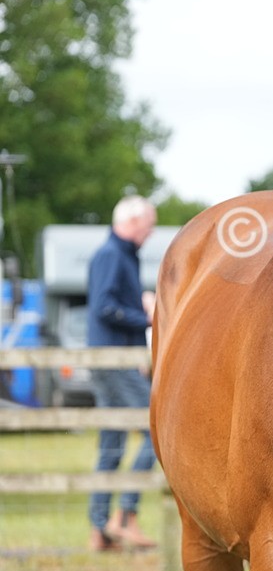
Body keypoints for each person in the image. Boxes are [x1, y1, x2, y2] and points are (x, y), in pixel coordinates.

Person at [86, 195, 159, 551]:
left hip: (111, 360)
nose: (151, 232)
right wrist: (145, 316)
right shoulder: (112, 256)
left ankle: (100, 529)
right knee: (155, 429)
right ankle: (124, 515)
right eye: (149, 225)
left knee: (110, 445)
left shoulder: (119, 256)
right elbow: (103, 307)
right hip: (112, 361)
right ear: (131, 222)